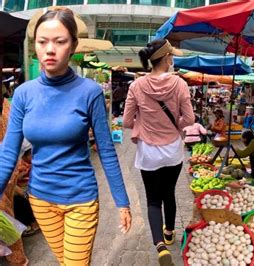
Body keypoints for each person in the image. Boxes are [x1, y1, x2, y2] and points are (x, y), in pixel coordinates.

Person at [0, 7, 132, 265]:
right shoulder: (24, 94)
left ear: (72, 46)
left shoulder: (89, 92)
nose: (50, 49)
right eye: (42, 41)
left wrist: (122, 202)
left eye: (59, 41)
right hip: (40, 200)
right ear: (35, 44)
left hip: (80, 200)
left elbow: (106, 150)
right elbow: (8, 151)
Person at [123, 39, 194, 266]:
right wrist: (175, 125)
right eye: (171, 55)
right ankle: (170, 232)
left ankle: (160, 247)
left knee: (153, 200)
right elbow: (189, 120)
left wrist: (143, 123)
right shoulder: (179, 84)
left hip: (148, 153)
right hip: (172, 150)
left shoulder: (136, 86)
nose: (172, 58)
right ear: (166, 58)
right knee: (169, 192)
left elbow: (126, 121)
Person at [0, 101, 28, 266]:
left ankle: (19, 260)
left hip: (5, 165)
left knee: (5, 215)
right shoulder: (7, 104)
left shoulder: (5, 106)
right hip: (9, 163)